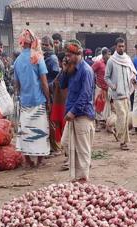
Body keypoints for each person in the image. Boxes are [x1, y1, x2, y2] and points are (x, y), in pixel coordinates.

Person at [59, 40, 95, 182]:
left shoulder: (86, 71)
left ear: (78, 54)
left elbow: (85, 95)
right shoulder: (71, 68)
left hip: (82, 115)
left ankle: (83, 179)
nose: (67, 57)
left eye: (69, 55)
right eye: (66, 55)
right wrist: (64, 69)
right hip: (73, 115)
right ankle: (77, 176)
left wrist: (73, 111)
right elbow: (62, 85)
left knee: (83, 150)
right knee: (65, 143)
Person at [14, 29, 51, 167]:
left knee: (26, 130)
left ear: (22, 43)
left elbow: (16, 84)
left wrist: (21, 95)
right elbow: (44, 82)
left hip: (25, 101)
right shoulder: (37, 57)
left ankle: (28, 160)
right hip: (38, 100)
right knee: (40, 130)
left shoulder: (17, 61)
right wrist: (48, 99)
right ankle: (40, 160)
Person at [105, 37, 137, 150]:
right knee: (122, 116)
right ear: (116, 47)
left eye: (123, 46)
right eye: (119, 46)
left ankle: (120, 135)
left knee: (125, 116)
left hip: (127, 93)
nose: (121, 48)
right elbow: (106, 77)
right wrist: (113, 86)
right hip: (117, 94)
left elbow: (132, 72)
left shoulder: (127, 59)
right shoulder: (111, 61)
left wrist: (133, 79)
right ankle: (122, 142)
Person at [41, 35, 61, 156]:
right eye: (42, 44)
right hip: (47, 92)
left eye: (46, 45)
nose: (44, 47)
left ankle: (56, 148)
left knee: (52, 121)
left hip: (51, 94)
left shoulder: (52, 59)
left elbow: (57, 77)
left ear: (51, 46)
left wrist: (47, 85)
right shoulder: (45, 58)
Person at [92, 47, 111, 131]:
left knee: (107, 106)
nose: (109, 56)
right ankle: (98, 124)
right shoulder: (98, 63)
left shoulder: (110, 64)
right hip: (99, 88)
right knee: (99, 105)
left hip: (108, 89)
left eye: (110, 54)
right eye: (108, 54)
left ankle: (105, 123)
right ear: (103, 55)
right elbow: (90, 71)